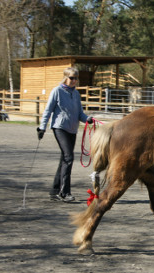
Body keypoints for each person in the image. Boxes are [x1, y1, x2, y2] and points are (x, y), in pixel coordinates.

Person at [37, 67, 93, 202]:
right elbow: (48, 110)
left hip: (72, 129)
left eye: (76, 78)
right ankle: (65, 193)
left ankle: (55, 191)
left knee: (64, 159)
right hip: (60, 127)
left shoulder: (76, 94)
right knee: (69, 157)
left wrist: (88, 119)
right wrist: (42, 127)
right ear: (66, 77)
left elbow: (80, 114)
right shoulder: (57, 91)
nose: (74, 80)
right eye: (72, 78)